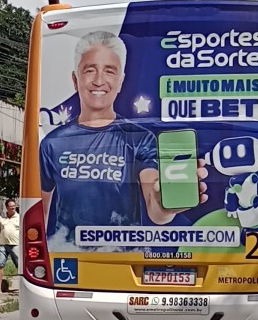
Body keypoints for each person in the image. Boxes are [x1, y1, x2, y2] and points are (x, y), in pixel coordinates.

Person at [40, 30, 208, 249]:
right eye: (90, 70)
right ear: (75, 79)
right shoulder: (52, 144)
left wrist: (164, 204)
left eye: (109, 72)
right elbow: (40, 213)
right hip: (68, 259)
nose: (99, 81)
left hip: (124, 255)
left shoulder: (138, 138)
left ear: (120, 82)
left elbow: (154, 205)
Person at [0, 198, 19, 293]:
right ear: (7, 208)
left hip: (15, 245)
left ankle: (23, 287)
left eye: (14, 206)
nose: (12, 208)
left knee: (19, 265)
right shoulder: (1, 219)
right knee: (0, 264)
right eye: (10, 206)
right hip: (2, 245)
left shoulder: (20, 218)